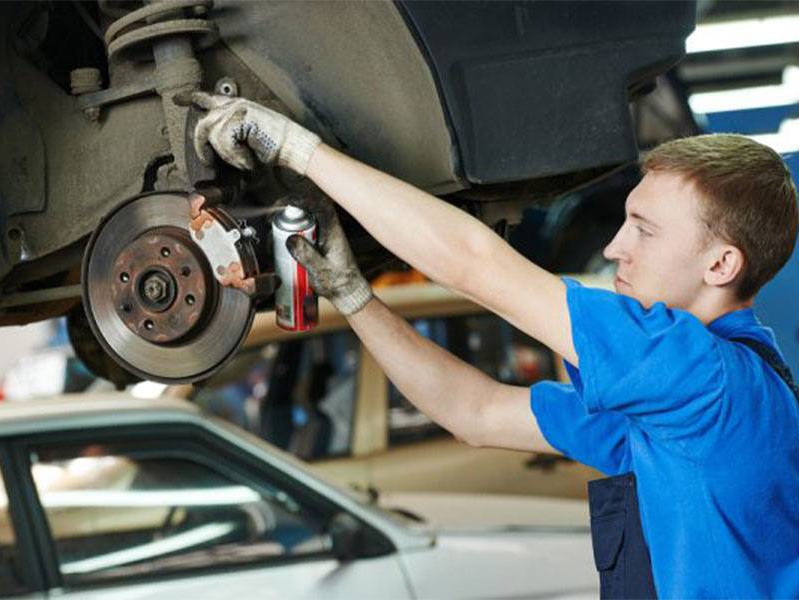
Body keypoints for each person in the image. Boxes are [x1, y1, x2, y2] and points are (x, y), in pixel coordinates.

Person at [177, 92, 799, 599]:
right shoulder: (671, 413)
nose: (614, 248)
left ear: (721, 264)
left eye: (645, 229)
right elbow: (474, 413)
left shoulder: (705, 382)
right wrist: (354, 295)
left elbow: (477, 266)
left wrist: (296, 148)